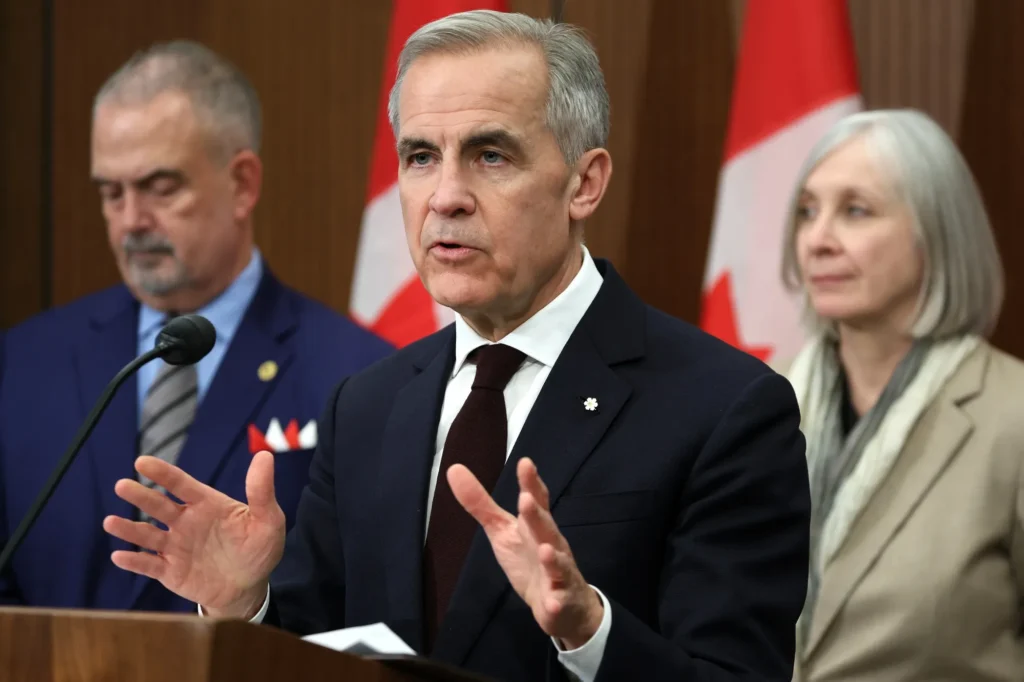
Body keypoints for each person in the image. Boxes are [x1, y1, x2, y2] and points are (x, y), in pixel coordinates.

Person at [103, 12, 810, 681]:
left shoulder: (724, 409)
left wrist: (590, 631)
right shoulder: (367, 405)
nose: (445, 197)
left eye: (490, 155)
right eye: (420, 157)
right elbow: (321, 649)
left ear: (584, 183)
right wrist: (245, 606)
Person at [0, 41, 393, 613]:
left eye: (160, 187)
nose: (131, 221)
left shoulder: (359, 376)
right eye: (111, 193)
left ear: (243, 184)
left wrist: (248, 608)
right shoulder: (25, 362)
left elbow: (364, 605)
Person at [777, 109, 1024, 681]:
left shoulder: (1012, 415)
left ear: (937, 234)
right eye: (807, 211)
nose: (818, 240)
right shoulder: (754, 397)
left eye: (855, 211)